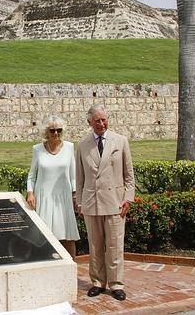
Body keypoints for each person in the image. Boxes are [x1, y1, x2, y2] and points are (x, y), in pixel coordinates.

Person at [76, 104, 135, 301]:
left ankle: (116, 284)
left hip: (115, 203)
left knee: (115, 246)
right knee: (95, 246)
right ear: (89, 123)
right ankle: (97, 282)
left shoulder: (121, 141)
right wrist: (80, 202)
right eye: (97, 121)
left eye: (104, 120)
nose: (101, 124)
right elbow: (80, 178)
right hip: (92, 203)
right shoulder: (83, 145)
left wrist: (128, 198)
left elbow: (129, 176)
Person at [26, 116, 80, 259]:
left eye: (59, 130)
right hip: (44, 198)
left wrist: (75, 195)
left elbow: (73, 175)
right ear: (47, 132)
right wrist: (30, 193)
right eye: (52, 130)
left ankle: (71, 268)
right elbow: (32, 175)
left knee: (68, 237)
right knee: (43, 237)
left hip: (63, 198)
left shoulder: (69, 147)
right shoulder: (37, 149)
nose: (56, 133)